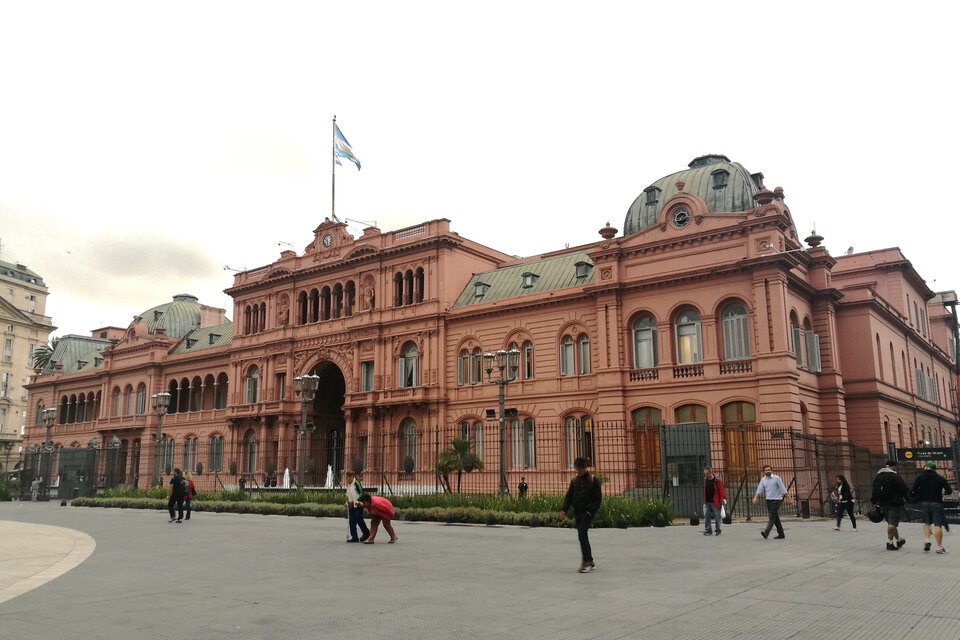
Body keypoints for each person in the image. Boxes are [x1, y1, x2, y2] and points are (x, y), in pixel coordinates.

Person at [558, 457, 602, 573]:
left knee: (582, 534)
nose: (578, 472)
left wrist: (590, 511)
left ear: (584, 468)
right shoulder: (575, 481)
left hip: (587, 513)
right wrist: (564, 509)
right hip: (577, 512)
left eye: (579, 470)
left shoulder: (593, 480)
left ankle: (586, 562)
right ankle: (590, 561)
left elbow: (598, 499)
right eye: (576, 470)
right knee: (582, 536)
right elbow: (569, 496)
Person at [910, 461, 952, 554]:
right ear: (934, 469)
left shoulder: (919, 478)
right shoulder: (940, 478)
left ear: (926, 468)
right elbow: (949, 491)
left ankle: (927, 539)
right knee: (937, 524)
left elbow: (913, 490)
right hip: (936, 502)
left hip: (924, 503)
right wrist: (943, 493)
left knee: (927, 523)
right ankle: (939, 547)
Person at [870, 459, 909, 551]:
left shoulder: (878, 476)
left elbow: (874, 489)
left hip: (883, 503)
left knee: (891, 523)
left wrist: (874, 501)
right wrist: (908, 499)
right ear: (893, 466)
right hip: (894, 503)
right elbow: (903, 488)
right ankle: (889, 543)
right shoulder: (894, 476)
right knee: (892, 524)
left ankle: (899, 540)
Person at [753, 464, 788, 539]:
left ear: (771, 470)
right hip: (768, 501)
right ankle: (781, 534)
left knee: (772, 516)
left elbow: (783, 489)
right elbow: (759, 490)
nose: (767, 471)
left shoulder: (776, 478)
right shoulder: (763, 480)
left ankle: (766, 532)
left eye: (769, 470)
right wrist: (755, 497)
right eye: (766, 470)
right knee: (775, 518)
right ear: (764, 472)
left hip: (776, 500)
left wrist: (789, 498)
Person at [344, 470, 370, 543]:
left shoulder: (356, 483)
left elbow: (361, 492)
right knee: (351, 521)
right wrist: (347, 502)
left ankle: (366, 533)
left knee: (359, 519)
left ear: (352, 477)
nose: (347, 479)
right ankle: (354, 537)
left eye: (348, 478)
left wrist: (357, 501)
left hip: (358, 504)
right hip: (351, 505)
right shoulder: (348, 485)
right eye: (346, 478)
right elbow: (348, 494)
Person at [702, 466, 727, 536]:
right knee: (706, 516)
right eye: (705, 474)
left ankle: (718, 530)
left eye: (707, 474)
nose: (706, 475)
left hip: (715, 502)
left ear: (711, 473)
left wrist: (723, 499)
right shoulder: (705, 480)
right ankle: (708, 530)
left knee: (717, 516)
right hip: (707, 501)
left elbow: (722, 490)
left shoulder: (717, 481)